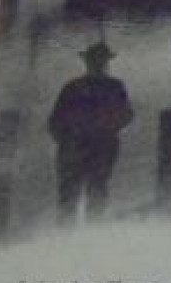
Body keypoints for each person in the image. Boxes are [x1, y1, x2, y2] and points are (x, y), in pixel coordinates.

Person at [48, 41, 134, 223]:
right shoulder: (109, 87)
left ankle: (78, 234)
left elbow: (125, 115)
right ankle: (75, 234)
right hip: (84, 146)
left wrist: (68, 139)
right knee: (84, 192)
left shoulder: (80, 87)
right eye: (96, 60)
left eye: (99, 60)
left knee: (88, 192)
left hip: (90, 146)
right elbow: (56, 121)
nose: (98, 63)